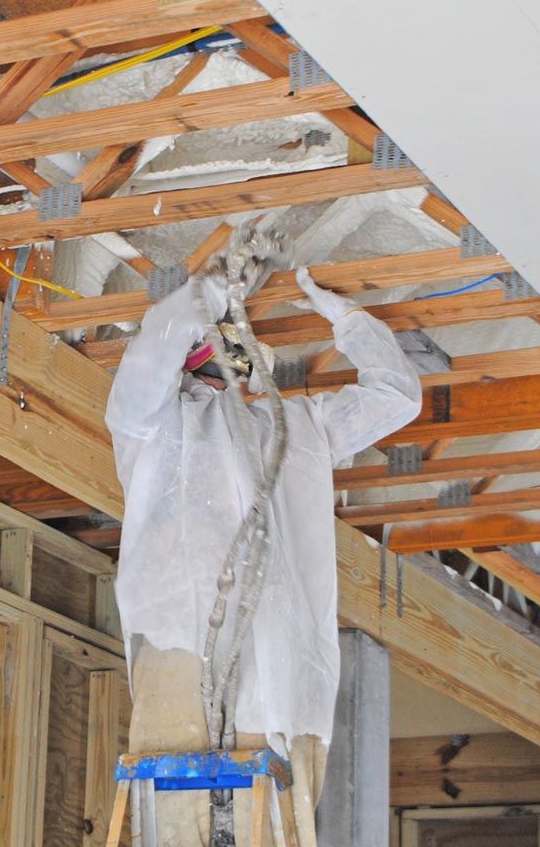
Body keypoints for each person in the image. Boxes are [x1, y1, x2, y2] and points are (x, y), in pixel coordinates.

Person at [105, 264, 422, 845]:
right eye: (217, 343)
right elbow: (150, 356)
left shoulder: (293, 429)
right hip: (186, 655)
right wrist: (204, 291)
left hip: (279, 683)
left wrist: (347, 319)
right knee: (183, 828)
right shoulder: (152, 426)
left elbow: (395, 398)